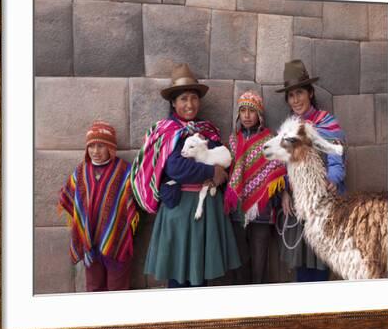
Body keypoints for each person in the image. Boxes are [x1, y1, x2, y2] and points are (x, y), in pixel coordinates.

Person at [131, 63, 241, 288]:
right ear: (173, 102)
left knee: (200, 272)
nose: (189, 104)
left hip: (206, 210)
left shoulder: (206, 130)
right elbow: (175, 168)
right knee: (179, 273)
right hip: (180, 210)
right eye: (183, 99)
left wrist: (221, 171)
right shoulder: (167, 132)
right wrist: (211, 171)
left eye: (193, 98)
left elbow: (221, 157)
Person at [276, 59, 346, 282]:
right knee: (302, 266)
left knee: (319, 266)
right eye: (291, 95)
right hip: (300, 207)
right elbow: (285, 166)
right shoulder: (289, 128)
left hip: (323, 204)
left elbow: (337, 159)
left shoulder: (327, 123)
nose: (295, 100)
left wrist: (331, 180)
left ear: (310, 93)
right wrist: (286, 191)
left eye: (299, 93)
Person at [58, 120, 139, 291]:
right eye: (91, 146)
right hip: (90, 244)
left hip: (117, 241)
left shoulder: (125, 171)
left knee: (117, 290)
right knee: (94, 289)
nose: (95, 151)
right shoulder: (80, 172)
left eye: (101, 146)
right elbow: (70, 199)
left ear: (111, 147)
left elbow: (134, 204)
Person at [224, 91, 287, 285]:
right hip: (237, 211)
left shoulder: (271, 140)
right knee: (240, 262)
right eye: (243, 111)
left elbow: (278, 170)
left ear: (259, 114)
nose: (247, 115)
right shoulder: (233, 140)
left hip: (262, 210)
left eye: (252, 111)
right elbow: (230, 169)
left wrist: (279, 195)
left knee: (260, 262)